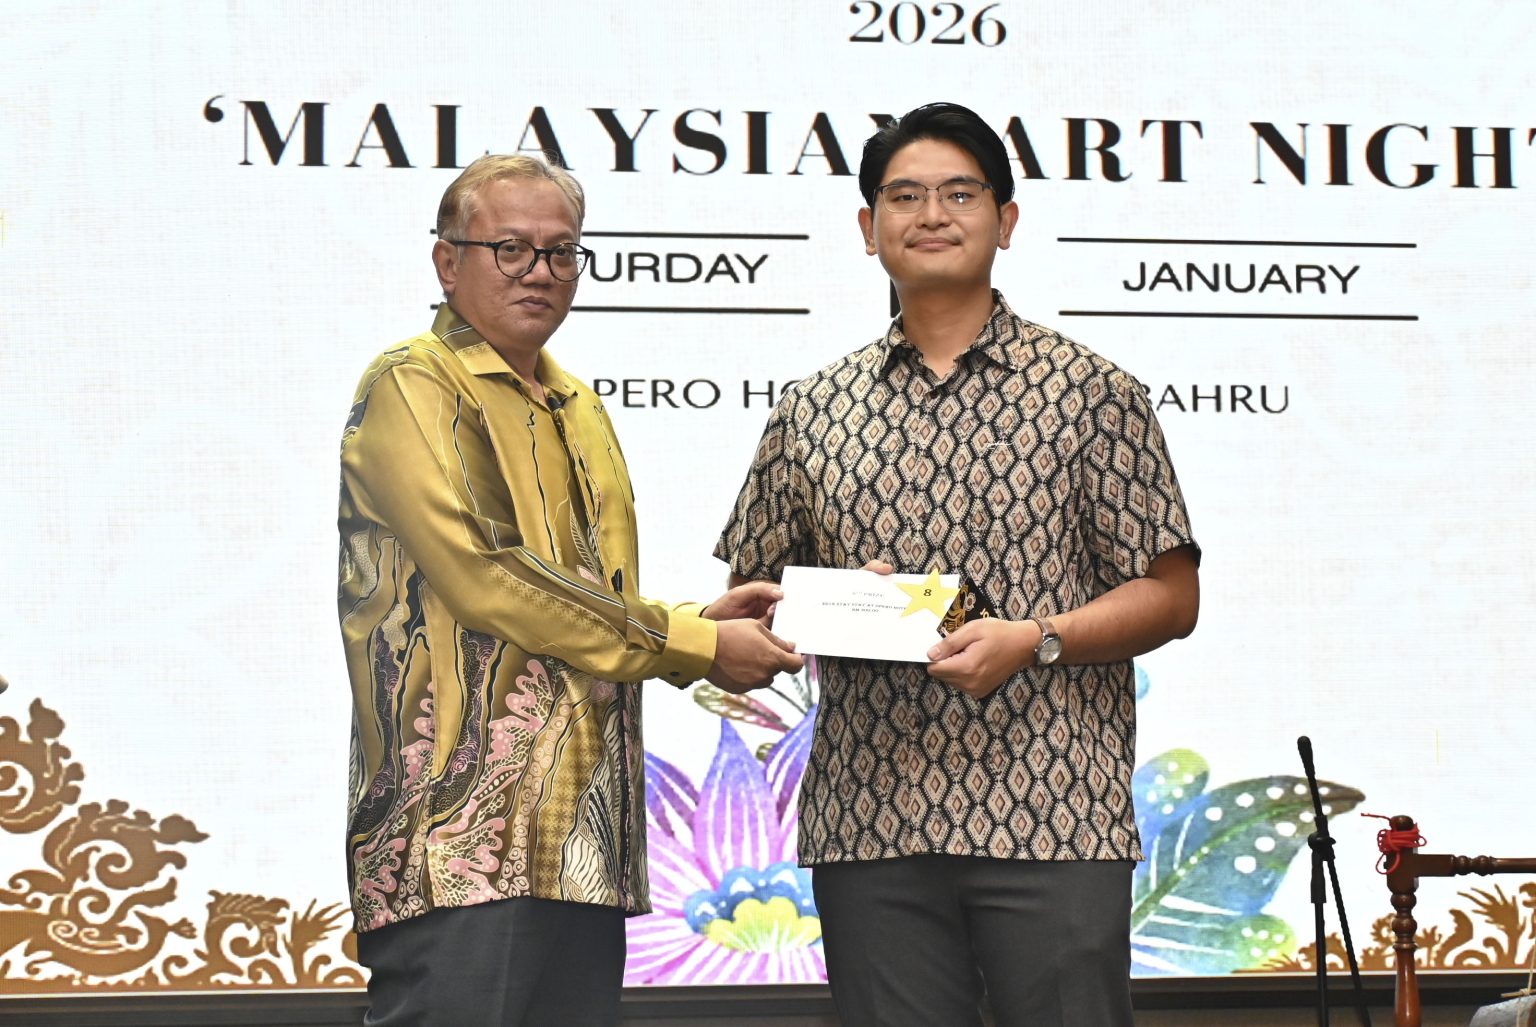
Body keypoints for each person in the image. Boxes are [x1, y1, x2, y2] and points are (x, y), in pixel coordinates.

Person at [715, 103, 1201, 1027]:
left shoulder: (1095, 393)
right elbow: (755, 600)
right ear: (869, 228)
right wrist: (792, 613)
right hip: (871, 823)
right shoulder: (810, 409)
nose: (931, 214)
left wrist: (1037, 637)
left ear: (1005, 220)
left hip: (1055, 811)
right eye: (904, 196)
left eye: (959, 194)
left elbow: (1173, 596)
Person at [337, 153, 803, 1027]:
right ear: (447, 261)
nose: (540, 271)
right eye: (511, 248)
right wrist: (696, 645)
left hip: (581, 841)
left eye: (560, 251)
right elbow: (492, 575)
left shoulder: (578, 402)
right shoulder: (415, 380)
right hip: (458, 843)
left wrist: (699, 620)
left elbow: (584, 595)